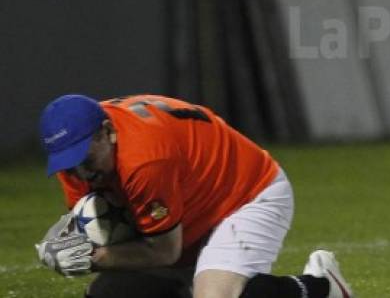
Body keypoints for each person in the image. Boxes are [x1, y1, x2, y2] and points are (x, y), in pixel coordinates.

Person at [36, 93, 354, 298]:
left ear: (108, 131)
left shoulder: (145, 160)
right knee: (110, 295)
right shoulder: (80, 156)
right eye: (69, 164)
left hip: (246, 194)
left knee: (214, 297)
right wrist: (71, 241)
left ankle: (321, 287)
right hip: (188, 204)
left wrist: (93, 258)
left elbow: (164, 252)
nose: (81, 175)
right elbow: (102, 221)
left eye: (86, 161)